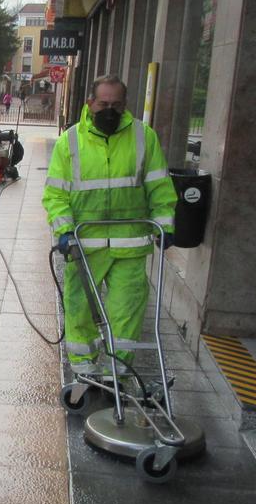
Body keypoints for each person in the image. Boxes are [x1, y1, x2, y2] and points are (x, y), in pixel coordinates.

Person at [42, 75, 177, 376]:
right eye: (103, 104)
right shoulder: (71, 141)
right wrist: (64, 230)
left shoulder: (144, 137)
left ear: (125, 105)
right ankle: (85, 370)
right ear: (90, 103)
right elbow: (56, 193)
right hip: (84, 246)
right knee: (79, 310)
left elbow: (159, 186)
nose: (109, 110)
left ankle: (116, 373)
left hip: (129, 243)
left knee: (126, 312)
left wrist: (165, 224)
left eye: (116, 104)